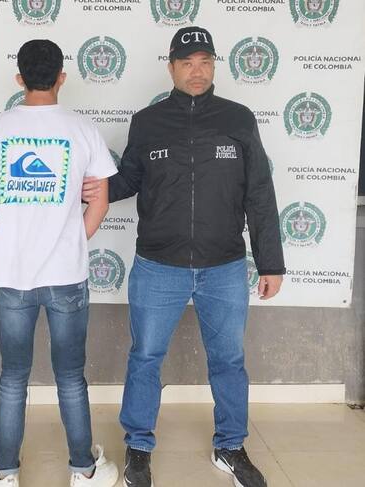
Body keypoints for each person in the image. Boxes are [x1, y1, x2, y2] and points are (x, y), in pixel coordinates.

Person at [83, 26, 285, 487]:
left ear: (214, 66)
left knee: (228, 360)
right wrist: (82, 186)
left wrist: (270, 263)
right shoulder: (148, 122)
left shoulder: (238, 119)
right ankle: (138, 447)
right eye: (187, 63)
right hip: (159, 265)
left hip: (224, 266)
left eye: (205, 62)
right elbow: (128, 179)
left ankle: (230, 446)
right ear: (171, 67)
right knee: (145, 357)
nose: (197, 71)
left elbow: (259, 192)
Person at [0, 39, 119, 487]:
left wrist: (19, 240)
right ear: (61, 77)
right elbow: (100, 202)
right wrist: (69, 240)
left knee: (12, 377)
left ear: (19, 78)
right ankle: (83, 470)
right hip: (66, 276)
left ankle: (4, 473)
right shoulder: (82, 128)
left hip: (13, 276)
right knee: (70, 377)